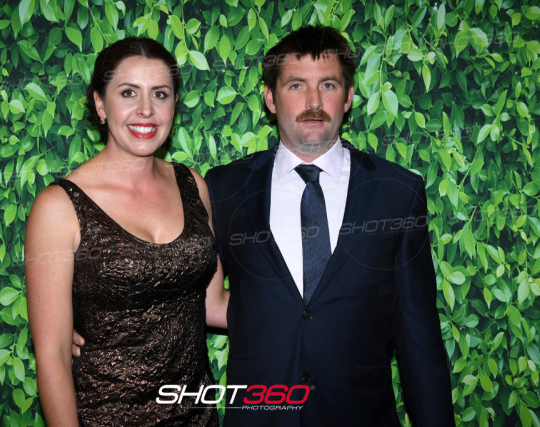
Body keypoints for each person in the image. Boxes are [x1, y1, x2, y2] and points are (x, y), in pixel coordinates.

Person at [204, 26, 455, 426]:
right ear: (270, 98)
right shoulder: (223, 188)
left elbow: (418, 336)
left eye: (328, 85)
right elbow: (192, 296)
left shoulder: (397, 192)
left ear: (349, 96)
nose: (314, 102)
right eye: (296, 86)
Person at [25, 37, 227, 426]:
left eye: (160, 94)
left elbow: (214, 305)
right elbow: (52, 357)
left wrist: (313, 309)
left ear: (174, 105)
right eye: (128, 93)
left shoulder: (193, 185)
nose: (146, 109)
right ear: (101, 104)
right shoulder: (58, 207)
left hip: (197, 417)